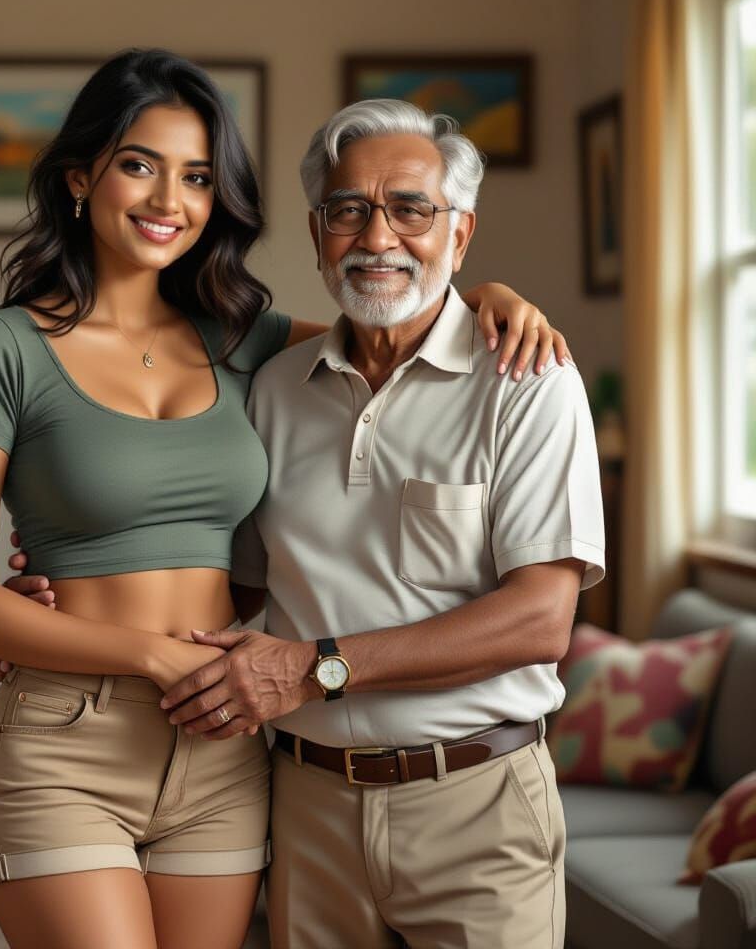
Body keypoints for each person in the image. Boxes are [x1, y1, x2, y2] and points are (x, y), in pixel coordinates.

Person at [0, 49, 569, 949]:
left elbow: (399, 316)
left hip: (227, 747)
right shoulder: (1, 347)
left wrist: (492, 294)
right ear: (80, 177)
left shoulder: (245, 340)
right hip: (75, 735)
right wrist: (139, 654)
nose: (167, 201)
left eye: (196, 176)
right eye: (138, 165)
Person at [156, 100, 606, 948]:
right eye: (348, 210)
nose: (378, 236)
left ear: (460, 235)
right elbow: (232, 589)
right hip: (306, 807)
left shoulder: (530, 380)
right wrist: (70, 607)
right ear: (317, 231)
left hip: (477, 805)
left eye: (410, 208)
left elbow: (542, 621)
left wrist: (312, 670)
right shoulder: (275, 391)